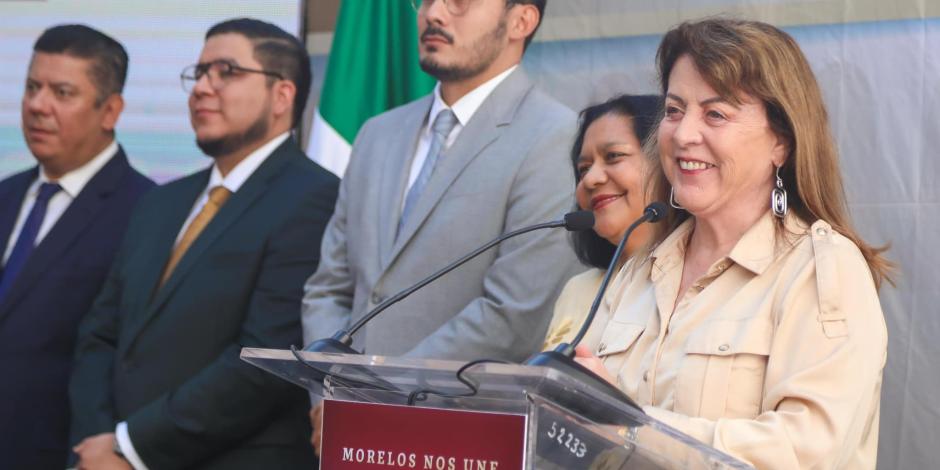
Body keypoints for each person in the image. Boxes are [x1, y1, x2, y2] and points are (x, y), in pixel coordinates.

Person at [573, 18, 892, 469]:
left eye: (716, 114)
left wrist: (631, 425)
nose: (683, 135)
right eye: (674, 110)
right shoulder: (641, 267)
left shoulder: (823, 268)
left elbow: (805, 453)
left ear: (781, 141)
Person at [302, 0, 579, 454]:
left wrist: (377, 397)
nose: (434, 13)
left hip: (462, 437)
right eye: (426, 1)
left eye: (460, 2)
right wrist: (329, 391)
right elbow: (328, 287)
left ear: (521, 21)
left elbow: (512, 314)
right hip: (346, 431)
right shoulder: (376, 133)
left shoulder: (556, 135)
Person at [68, 18, 339, 469]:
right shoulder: (161, 201)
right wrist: (99, 440)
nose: (202, 88)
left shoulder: (316, 197)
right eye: (199, 73)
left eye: (227, 71)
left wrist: (130, 448)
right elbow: (99, 333)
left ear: (282, 95)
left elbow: (264, 359)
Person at [0, 24, 154, 469]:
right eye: (32, 87)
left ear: (110, 111)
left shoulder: (146, 211)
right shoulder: (6, 195)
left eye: (62, 93)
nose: (36, 106)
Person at [542, 94, 660, 350]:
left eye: (614, 156)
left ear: (667, 163)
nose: (590, 179)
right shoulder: (577, 290)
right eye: (583, 168)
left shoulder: (694, 280)